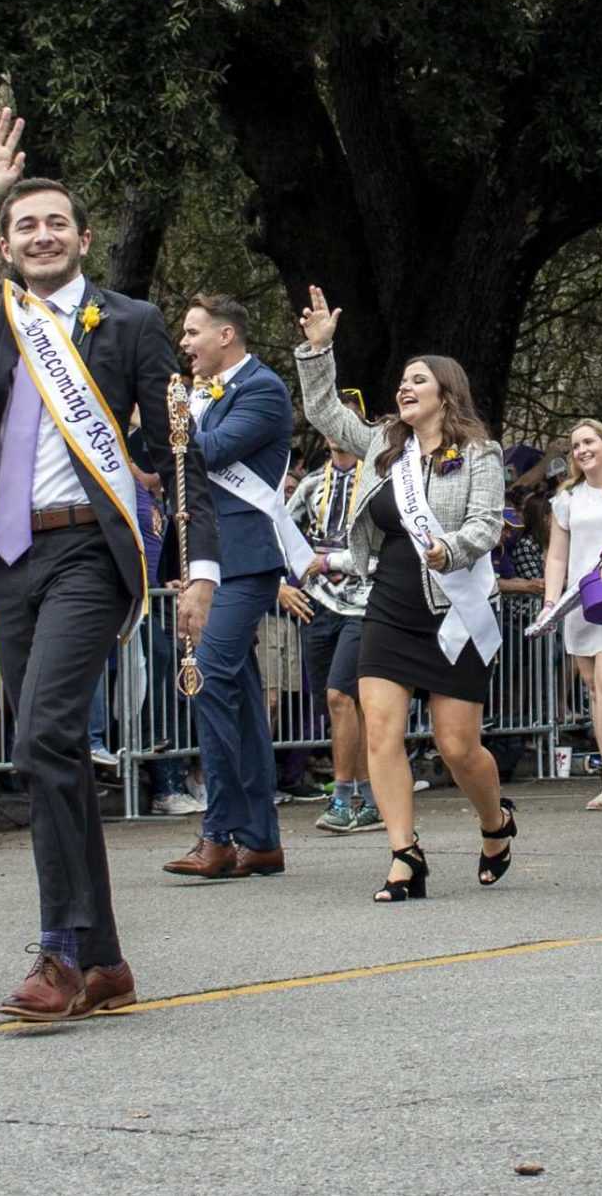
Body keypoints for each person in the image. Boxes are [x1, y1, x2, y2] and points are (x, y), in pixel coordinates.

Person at [0, 110, 216, 1020]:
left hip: (90, 550)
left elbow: (178, 448)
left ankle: (58, 952)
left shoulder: (129, 322)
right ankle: (105, 961)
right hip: (6, 555)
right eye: (25, 226)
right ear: (7, 246)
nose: (42, 236)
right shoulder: (0, 319)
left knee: (45, 735)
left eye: (57, 223)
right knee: (46, 750)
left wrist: (196, 563)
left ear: (83, 239)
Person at [293, 285, 512, 904]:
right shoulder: (386, 447)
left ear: (447, 392)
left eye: (419, 380)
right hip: (387, 605)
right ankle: (403, 855)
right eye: (403, 381)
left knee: (457, 748)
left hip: (453, 611)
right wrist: (318, 352)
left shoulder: (479, 454)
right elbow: (327, 416)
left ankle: (495, 825)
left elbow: (486, 525)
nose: (405, 387)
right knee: (380, 733)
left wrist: (453, 548)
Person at [166, 294, 297, 880]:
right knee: (236, 693)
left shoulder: (263, 389)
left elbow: (206, 451)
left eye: (194, 333)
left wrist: (161, 422)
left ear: (226, 336)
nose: (186, 344)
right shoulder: (198, 394)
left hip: (246, 558)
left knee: (210, 677)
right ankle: (261, 840)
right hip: (209, 558)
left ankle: (219, 834)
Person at [288, 421, 377, 832]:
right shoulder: (309, 486)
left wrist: (330, 561)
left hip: (364, 604)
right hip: (319, 602)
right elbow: (280, 532)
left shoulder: (377, 481)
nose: (337, 434)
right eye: (330, 426)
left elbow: (393, 545)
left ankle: (342, 799)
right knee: (341, 705)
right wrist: (281, 585)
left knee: (342, 696)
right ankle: (370, 798)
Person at [543, 420, 602, 811]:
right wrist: (550, 602)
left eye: (589, 441)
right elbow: (557, 555)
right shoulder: (567, 498)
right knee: (595, 688)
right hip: (580, 601)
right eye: (576, 445)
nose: (581, 450)